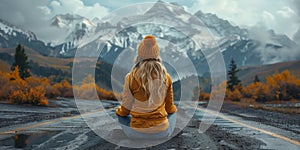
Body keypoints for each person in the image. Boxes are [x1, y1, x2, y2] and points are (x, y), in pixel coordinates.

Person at [115, 35, 177, 139]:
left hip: (135, 133)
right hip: (161, 133)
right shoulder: (166, 77)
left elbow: (125, 110)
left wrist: (118, 111)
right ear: (157, 54)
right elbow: (169, 109)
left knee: (122, 115)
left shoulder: (130, 77)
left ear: (139, 55)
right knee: (173, 113)